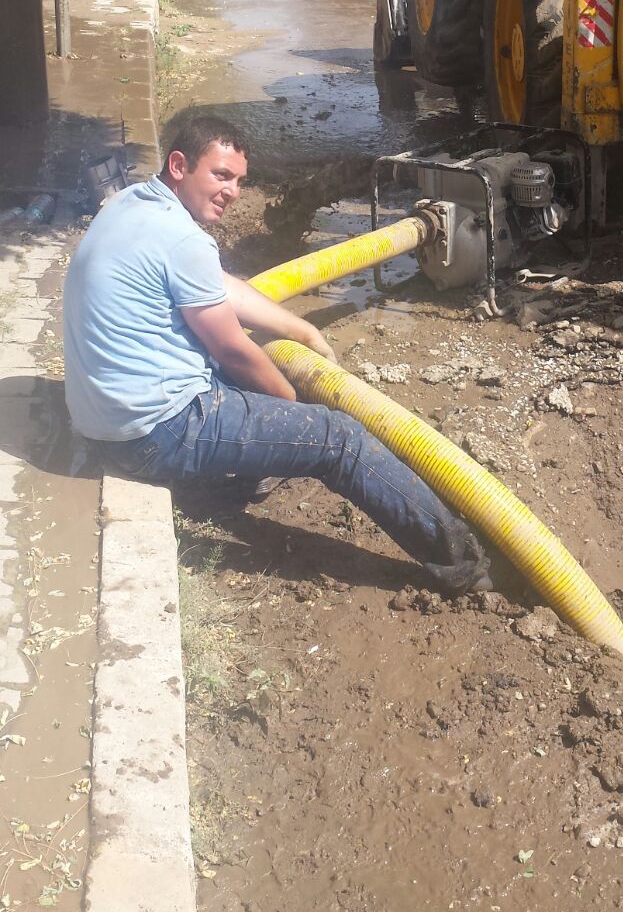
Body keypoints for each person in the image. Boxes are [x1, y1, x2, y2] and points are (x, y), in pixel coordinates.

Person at [63, 114, 492, 593]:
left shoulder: (130, 204)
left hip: (107, 420)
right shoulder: (183, 240)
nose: (232, 192)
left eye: (239, 180)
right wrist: (295, 406)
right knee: (337, 439)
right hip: (155, 431)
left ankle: (237, 481)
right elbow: (232, 350)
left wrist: (300, 329)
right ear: (179, 165)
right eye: (221, 175)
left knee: (256, 382)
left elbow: (219, 287)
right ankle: (465, 566)